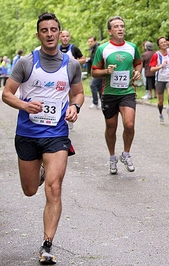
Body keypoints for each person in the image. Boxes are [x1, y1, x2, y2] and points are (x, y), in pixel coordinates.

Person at [1, 12, 84, 264]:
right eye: (44, 30)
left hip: (56, 134)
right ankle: (37, 173)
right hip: (27, 134)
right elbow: (6, 94)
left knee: (54, 187)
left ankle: (47, 245)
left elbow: (78, 94)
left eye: (53, 29)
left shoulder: (71, 64)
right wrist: (24, 106)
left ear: (60, 33)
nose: (49, 34)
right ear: (38, 35)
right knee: (29, 191)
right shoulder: (26, 63)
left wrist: (75, 107)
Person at [92, 16, 142, 175]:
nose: (120, 29)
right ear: (109, 31)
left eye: (122, 26)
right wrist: (106, 71)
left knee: (129, 125)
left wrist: (137, 72)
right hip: (109, 93)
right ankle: (112, 156)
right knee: (111, 128)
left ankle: (126, 154)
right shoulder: (103, 49)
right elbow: (94, 71)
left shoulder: (132, 47)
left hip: (127, 92)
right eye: (116, 26)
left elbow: (138, 63)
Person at [150, 36, 169, 123]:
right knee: (160, 101)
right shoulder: (156, 55)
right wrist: (160, 66)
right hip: (159, 80)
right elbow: (152, 69)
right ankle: (161, 114)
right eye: (162, 43)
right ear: (159, 45)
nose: (164, 44)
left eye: (165, 42)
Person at [87, 36, 102, 110]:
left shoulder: (98, 48)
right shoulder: (92, 49)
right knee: (99, 87)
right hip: (95, 70)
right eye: (89, 41)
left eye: (91, 41)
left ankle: (95, 103)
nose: (90, 43)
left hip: (99, 70)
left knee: (93, 85)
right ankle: (103, 103)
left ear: (95, 41)